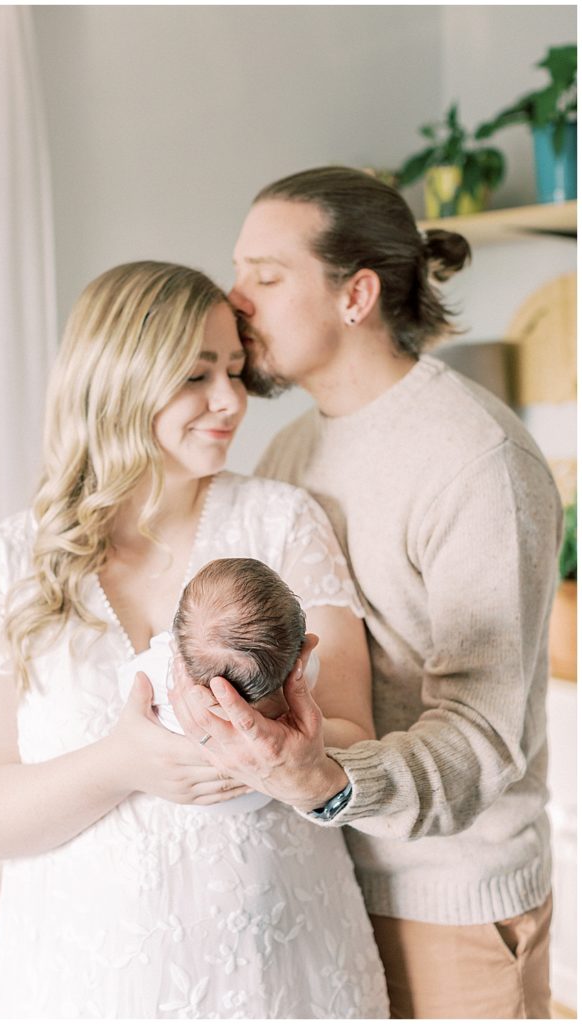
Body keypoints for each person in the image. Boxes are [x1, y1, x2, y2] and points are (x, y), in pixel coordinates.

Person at [0, 259, 389, 1019]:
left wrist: (288, 754)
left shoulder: (284, 522)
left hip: (282, 974)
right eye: (195, 375)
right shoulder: (8, 565)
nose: (229, 401)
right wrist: (119, 764)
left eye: (237, 371)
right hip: (84, 983)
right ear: (117, 381)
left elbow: (353, 736)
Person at [170, 167, 563, 1019]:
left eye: (267, 278)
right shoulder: (286, 457)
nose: (236, 300)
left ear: (356, 295)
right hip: (318, 891)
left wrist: (328, 782)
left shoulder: (478, 462)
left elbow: (482, 736)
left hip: (449, 905)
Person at [119, 556, 369, 815]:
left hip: (198, 792)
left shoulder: (160, 670)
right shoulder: (305, 673)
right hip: (262, 795)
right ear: (303, 650)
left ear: (178, 649)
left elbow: (126, 682)